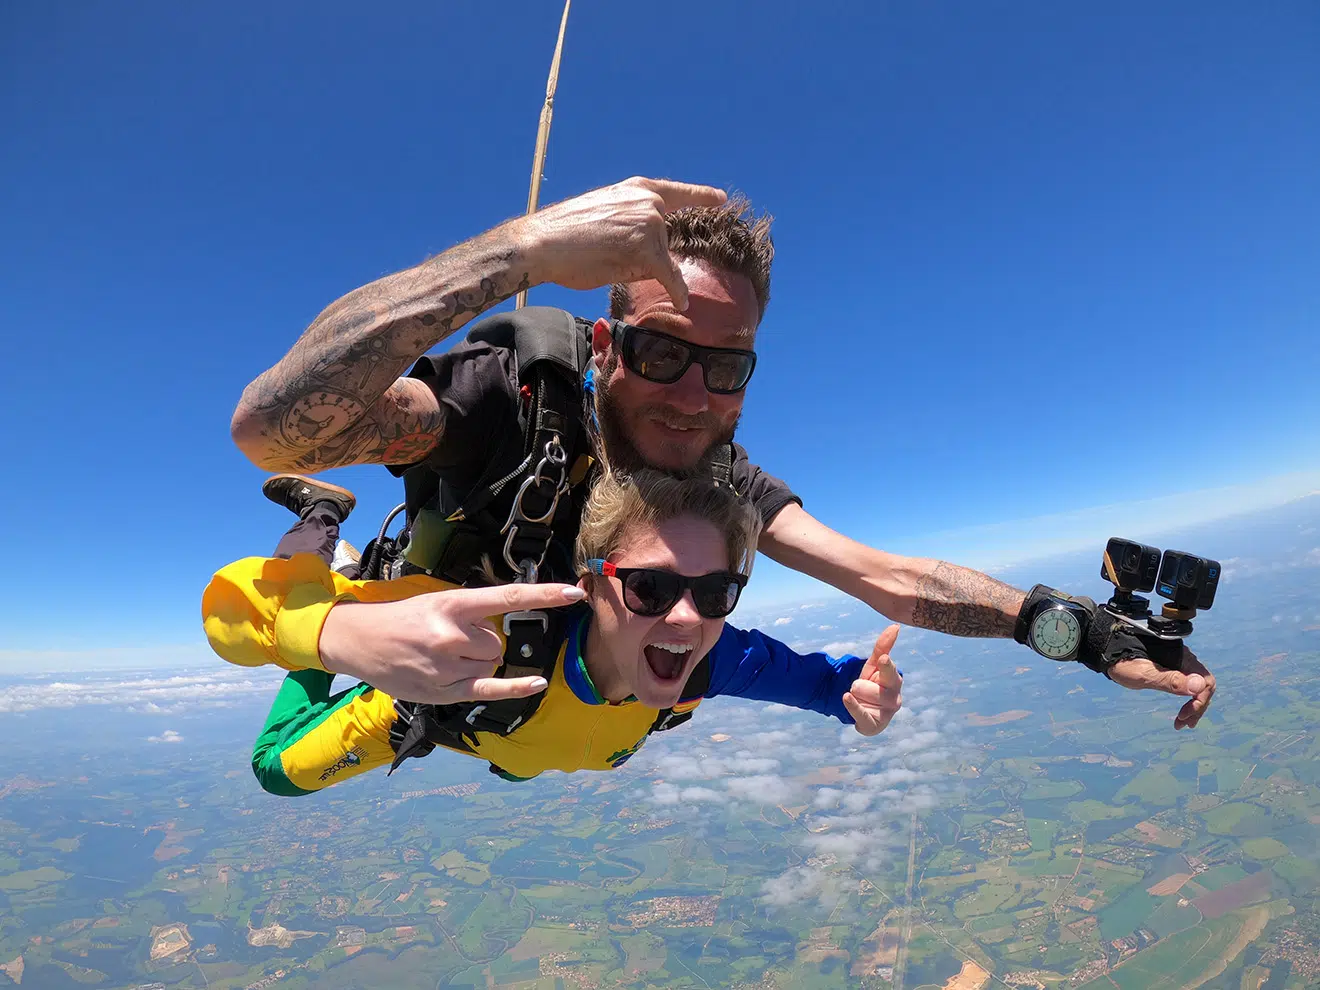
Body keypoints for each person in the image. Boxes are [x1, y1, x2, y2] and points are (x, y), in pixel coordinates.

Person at [227, 176, 1216, 730]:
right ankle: (324, 519)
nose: (695, 397)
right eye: (663, 353)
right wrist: (520, 254)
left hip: (571, 687)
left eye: (728, 368)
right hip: (436, 633)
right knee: (284, 759)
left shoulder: (719, 472)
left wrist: (1079, 635)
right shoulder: (507, 408)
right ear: (607, 346)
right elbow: (270, 426)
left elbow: (888, 577)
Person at [203, 469, 905, 794]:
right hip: (427, 695)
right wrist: (334, 637)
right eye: (651, 588)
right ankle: (321, 525)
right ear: (593, 582)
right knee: (277, 771)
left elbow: (830, 687)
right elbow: (230, 612)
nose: (687, 619)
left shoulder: (707, 659)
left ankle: (351, 573)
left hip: (512, 741)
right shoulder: (487, 632)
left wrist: (865, 699)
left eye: (717, 591)